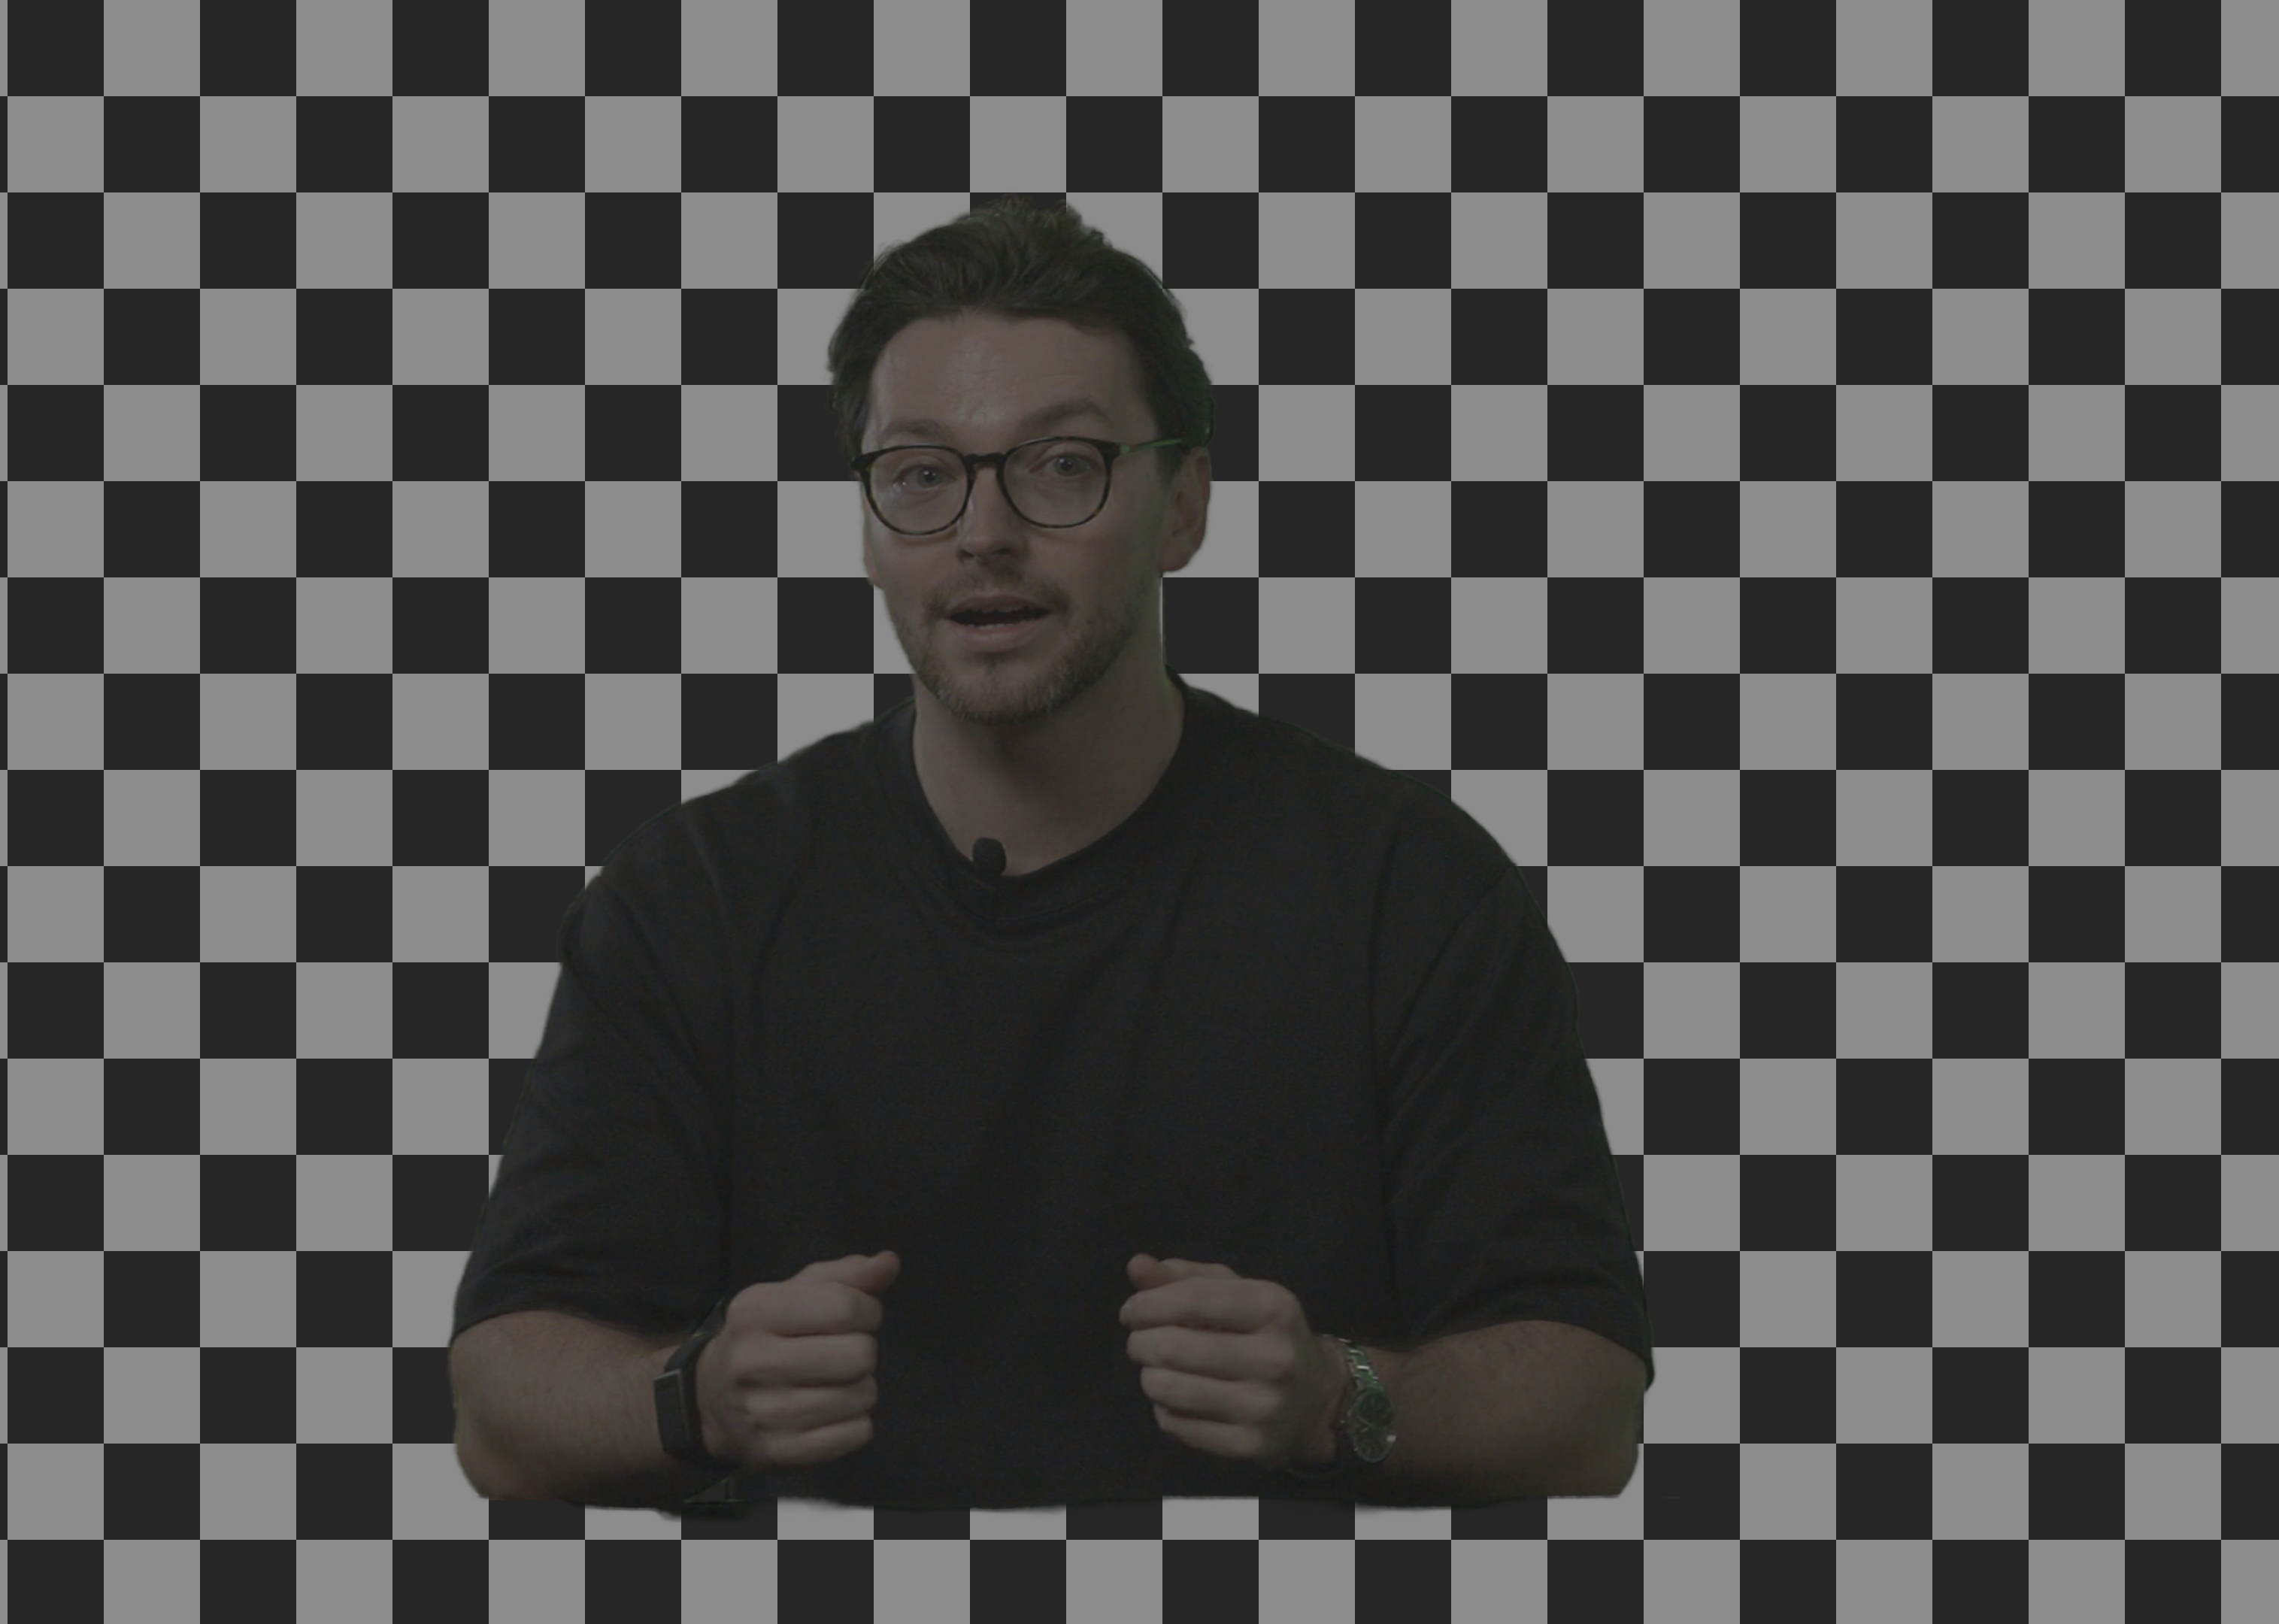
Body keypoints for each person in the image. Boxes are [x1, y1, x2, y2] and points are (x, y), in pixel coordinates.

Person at [449, 198, 1650, 1511]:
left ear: (1183, 504)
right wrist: (698, 1394)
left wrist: (1338, 1400)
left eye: (1062, 464)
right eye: (922, 472)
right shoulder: (693, 899)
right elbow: (501, 1409)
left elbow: (1591, 1410)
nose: (984, 531)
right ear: (868, 524)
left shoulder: (1409, 892)